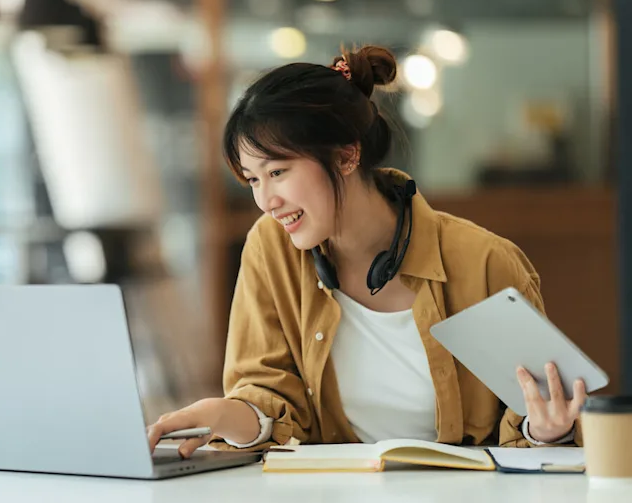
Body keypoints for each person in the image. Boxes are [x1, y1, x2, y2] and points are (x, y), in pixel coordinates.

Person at [146, 45, 586, 458]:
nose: (266, 200)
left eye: (278, 171)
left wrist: (545, 430)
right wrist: (228, 416)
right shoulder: (271, 248)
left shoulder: (484, 262)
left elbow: (537, 414)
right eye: (253, 179)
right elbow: (267, 396)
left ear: (345, 157)